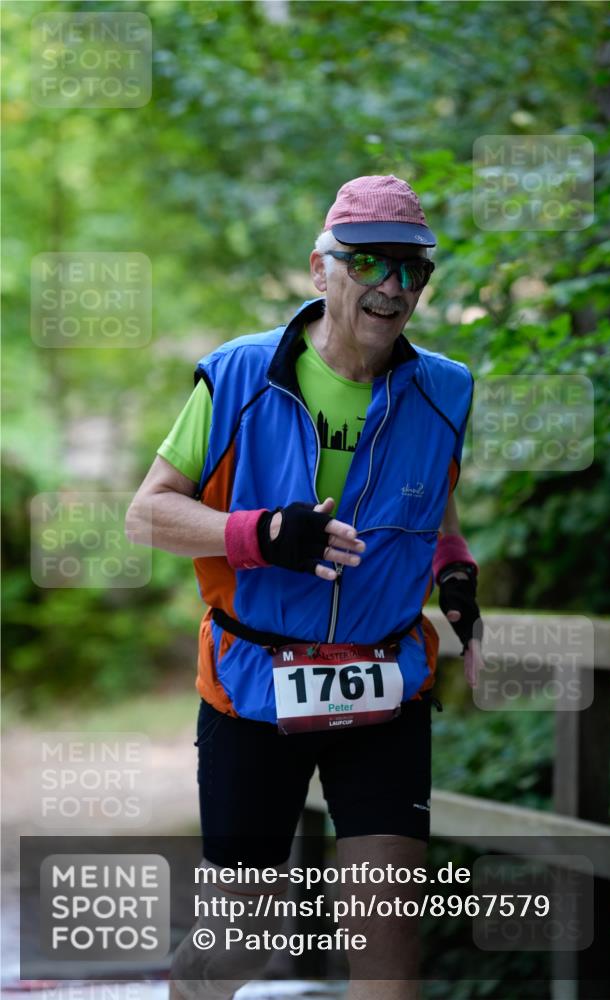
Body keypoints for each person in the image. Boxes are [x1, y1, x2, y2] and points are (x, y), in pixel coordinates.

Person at [127, 174, 483, 1000]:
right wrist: (259, 535)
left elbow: (436, 502)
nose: (392, 287)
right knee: (246, 940)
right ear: (321, 269)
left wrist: (452, 567)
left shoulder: (445, 389)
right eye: (369, 263)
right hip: (254, 686)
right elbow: (147, 516)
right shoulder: (239, 377)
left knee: (388, 954)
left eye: (412, 271)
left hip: (383, 688)